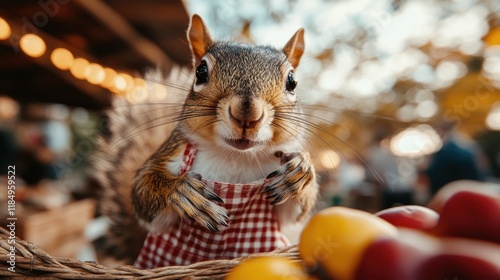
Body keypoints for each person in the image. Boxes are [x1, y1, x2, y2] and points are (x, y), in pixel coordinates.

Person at [425, 121, 484, 196]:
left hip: (449, 193)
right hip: (471, 190)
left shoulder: (444, 152)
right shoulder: (469, 147)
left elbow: (435, 175)